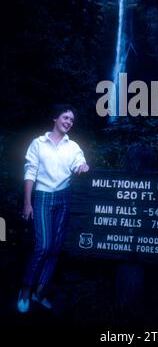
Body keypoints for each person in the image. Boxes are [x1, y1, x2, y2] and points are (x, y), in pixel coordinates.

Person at [17, 104, 89, 313]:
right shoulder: (38, 143)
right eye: (65, 118)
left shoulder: (73, 146)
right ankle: (25, 289)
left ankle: (39, 292)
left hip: (64, 197)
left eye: (72, 120)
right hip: (42, 197)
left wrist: (83, 166)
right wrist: (27, 203)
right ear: (55, 119)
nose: (68, 122)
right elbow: (30, 172)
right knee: (43, 246)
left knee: (55, 248)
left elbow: (79, 163)